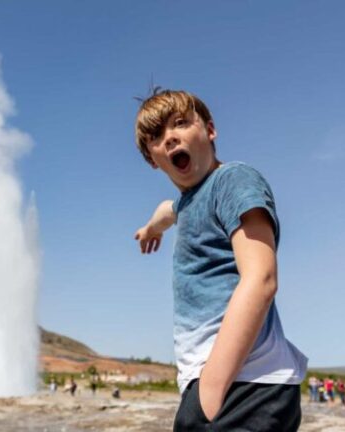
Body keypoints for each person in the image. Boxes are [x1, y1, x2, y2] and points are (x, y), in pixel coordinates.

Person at [134, 89, 307, 431]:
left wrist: (211, 387)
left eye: (181, 123)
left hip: (245, 383)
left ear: (210, 130)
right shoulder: (185, 203)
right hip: (222, 385)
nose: (170, 137)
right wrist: (150, 228)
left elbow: (262, 280)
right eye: (156, 136)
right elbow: (167, 211)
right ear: (152, 159)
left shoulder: (232, 180)